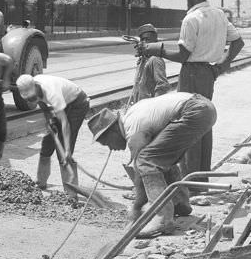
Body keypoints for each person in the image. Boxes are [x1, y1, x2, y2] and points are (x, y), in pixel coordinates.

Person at [137, 0, 243, 177]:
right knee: (204, 121)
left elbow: (182, 55)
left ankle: (188, 178)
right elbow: (238, 42)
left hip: (192, 73)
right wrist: (221, 67)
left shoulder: (191, 19)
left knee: (188, 124)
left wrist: (155, 49)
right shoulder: (219, 14)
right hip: (208, 74)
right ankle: (201, 176)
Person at [87, 92, 217, 238]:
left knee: (146, 161)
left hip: (194, 110)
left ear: (113, 130)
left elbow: (142, 171)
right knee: (161, 158)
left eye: (106, 142)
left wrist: (136, 210)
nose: (110, 148)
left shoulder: (133, 130)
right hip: (204, 108)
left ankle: (163, 218)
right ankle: (180, 204)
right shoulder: (132, 114)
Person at [15, 73, 89, 193]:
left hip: (77, 104)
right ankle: (41, 182)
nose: (32, 100)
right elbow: (42, 104)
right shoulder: (33, 88)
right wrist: (49, 118)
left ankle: (71, 193)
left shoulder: (52, 93)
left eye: (32, 97)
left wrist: (67, 150)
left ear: (36, 87)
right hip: (63, 104)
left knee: (64, 151)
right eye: (28, 99)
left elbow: (64, 122)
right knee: (47, 143)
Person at [128, 24, 170, 104]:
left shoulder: (155, 60)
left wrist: (153, 107)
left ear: (155, 42)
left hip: (149, 107)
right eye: (142, 40)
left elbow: (162, 87)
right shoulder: (143, 60)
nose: (143, 43)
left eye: (147, 39)